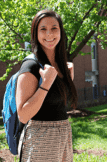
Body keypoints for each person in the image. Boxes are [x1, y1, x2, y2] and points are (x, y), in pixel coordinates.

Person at [16, 10, 78, 161]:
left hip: (63, 135)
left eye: (54, 28)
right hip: (40, 138)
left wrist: (68, 80)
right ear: (35, 34)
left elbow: (58, 105)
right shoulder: (31, 66)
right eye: (43, 29)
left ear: (61, 32)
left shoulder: (62, 65)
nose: (49, 34)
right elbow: (23, 115)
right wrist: (46, 84)